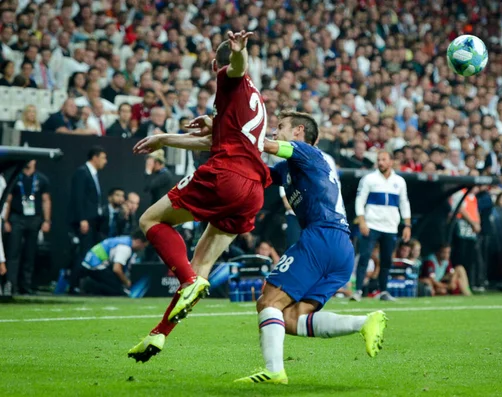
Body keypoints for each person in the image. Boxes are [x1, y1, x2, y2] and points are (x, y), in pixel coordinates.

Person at [127, 30, 272, 362]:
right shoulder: (253, 100)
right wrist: (166, 138)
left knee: (149, 219)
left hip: (226, 176)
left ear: (212, 64)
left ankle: (188, 280)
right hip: (253, 190)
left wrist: (238, 51)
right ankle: (159, 335)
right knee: (201, 266)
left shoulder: (232, 79)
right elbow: (210, 141)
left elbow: (236, 67)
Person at [234, 111, 387, 384]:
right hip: (341, 248)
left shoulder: (306, 151)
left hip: (321, 237)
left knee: (268, 302)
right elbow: (258, 171)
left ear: (298, 131)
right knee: (293, 317)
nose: (274, 131)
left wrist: (236, 131)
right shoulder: (291, 168)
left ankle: (274, 371)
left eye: (280, 127)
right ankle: (364, 322)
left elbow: (267, 146)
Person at [352, 151, 412, 302]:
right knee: (364, 256)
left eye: (384, 159)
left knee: (386, 260)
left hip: (390, 226)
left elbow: (404, 203)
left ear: (391, 162)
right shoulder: (369, 179)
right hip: (372, 224)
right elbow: (360, 200)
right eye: (379, 160)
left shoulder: (399, 181)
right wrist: (362, 221)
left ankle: (383, 291)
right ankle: (358, 290)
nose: (380, 162)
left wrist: (407, 225)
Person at [4, 160, 51, 295]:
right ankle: (11, 285)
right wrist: (5, 220)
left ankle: (26, 285)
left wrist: (47, 220)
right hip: (17, 217)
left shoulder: (42, 179)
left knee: (30, 253)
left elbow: (46, 199)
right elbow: (9, 198)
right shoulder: (16, 177)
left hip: (34, 218)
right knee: (13, 252)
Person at [68, 146, 108, 293]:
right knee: (83, 253)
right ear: (95, 157)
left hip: (93, 221)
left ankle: (81, 284)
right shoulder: (82, 172)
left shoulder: (93, 174)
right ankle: (74, 284)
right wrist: (82, 219)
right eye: (103, 157)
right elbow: (78, 197)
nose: (105, 161)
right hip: (85, 221)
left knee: (89, 253)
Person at [79, 230, 148, 296]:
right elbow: (117, 269)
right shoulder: (125, 248)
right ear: (139, 242)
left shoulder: (125, 240)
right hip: (96, 265)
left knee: (115, 283)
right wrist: (127, 282)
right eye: (143, 246)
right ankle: (89, 285)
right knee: (117, 290)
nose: (142, 249)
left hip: (91, 262)